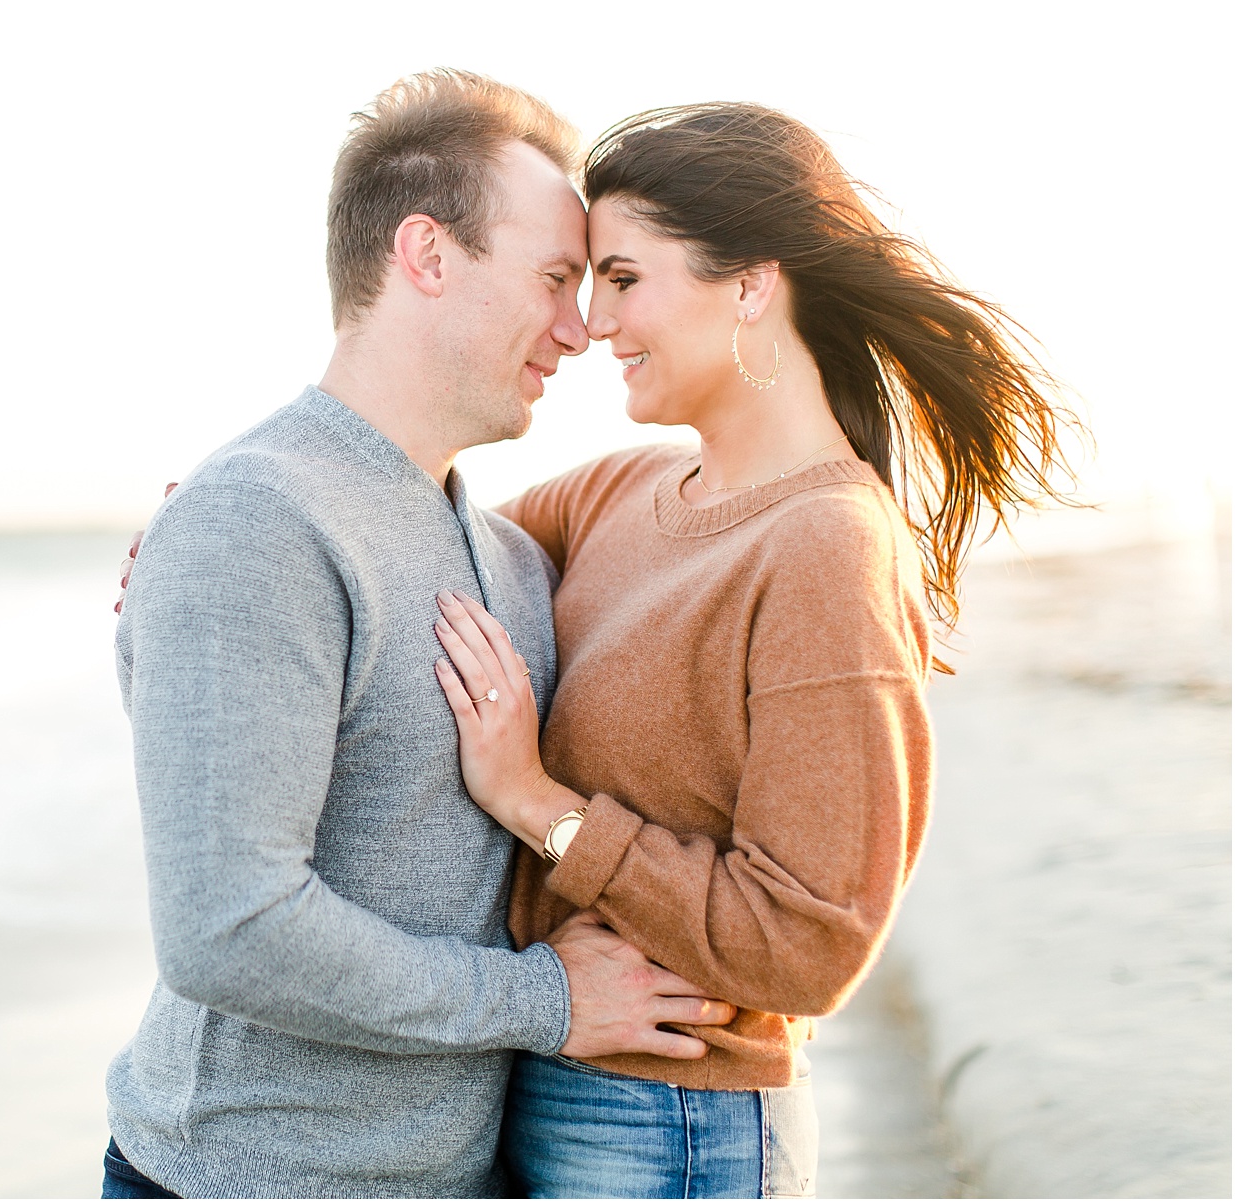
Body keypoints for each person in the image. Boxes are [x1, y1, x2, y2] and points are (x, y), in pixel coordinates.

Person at [428, 103, 1080, 1197]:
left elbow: (811, 942)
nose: (590, 323)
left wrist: (539, 802)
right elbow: (421, 553)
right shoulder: (621, 491)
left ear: (750, 283)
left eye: (625, 278)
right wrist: (253, 520)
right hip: (540, 1074)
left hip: (672, 1122)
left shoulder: (825, 545)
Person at [104, 73, 736, 1200]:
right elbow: (226, 928)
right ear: (427, 255)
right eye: (553, 279)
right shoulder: (256, 519)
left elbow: (682, 550)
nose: (580, 327)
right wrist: (547, 999)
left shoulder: (511, 555)